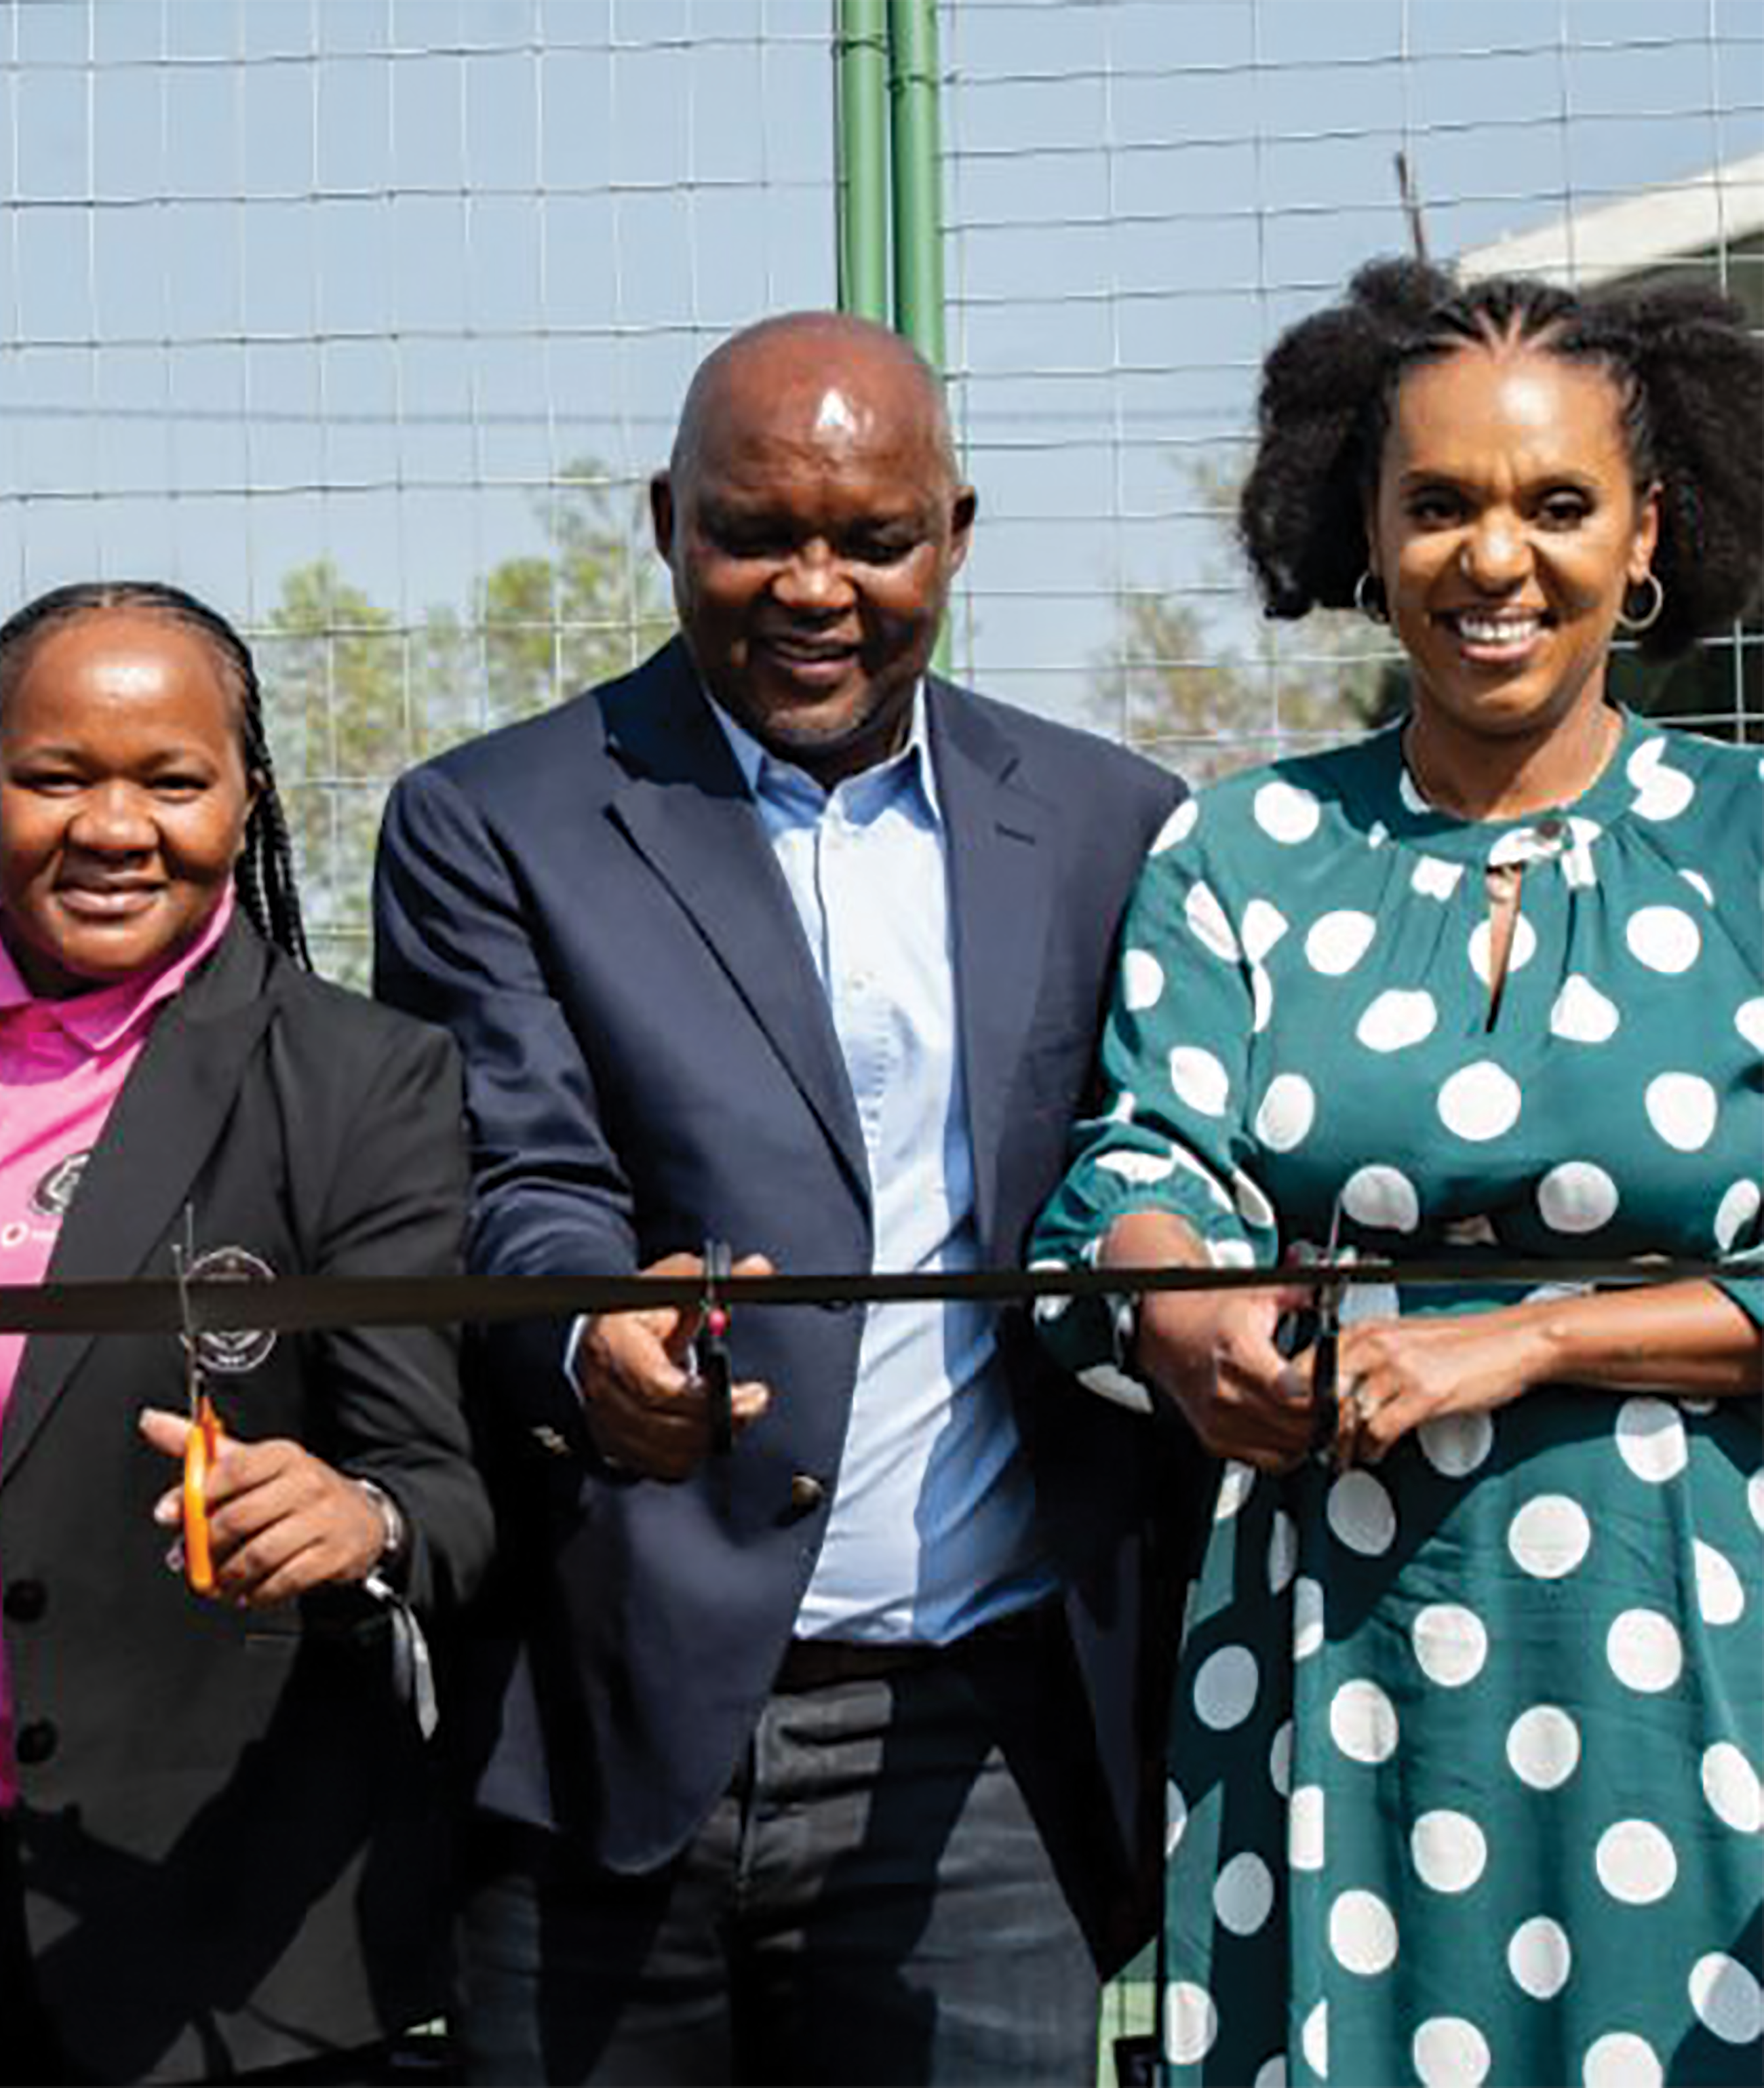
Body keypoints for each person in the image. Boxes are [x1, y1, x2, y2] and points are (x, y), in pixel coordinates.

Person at [370, 311, 1190, 2085]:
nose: (810, 585)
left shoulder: (1115, 822)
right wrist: (594, 1334)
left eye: (871, 539)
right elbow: (515, 1176)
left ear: (953, 532)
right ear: (663, 518)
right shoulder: (492, 821)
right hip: (609, 1719)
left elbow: (1153, 1172)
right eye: (752, 530)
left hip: (976, 1742)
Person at [1031, 258, 1764, 2087]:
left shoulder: (1749, 850)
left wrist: (1512, 1342)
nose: (1489, 557)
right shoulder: (1243, 850)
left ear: (1645, 527)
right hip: (1325, 1644)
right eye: (1434, 503)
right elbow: (1140, 1156)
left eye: (1552, 503)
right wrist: (1174, 1289)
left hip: (1685, 1638)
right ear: (1359, 527)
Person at [0, 580, 491, 2084]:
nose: (113, 826)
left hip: (206, 1923)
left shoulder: (355, 1083)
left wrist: (356, 1518)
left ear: (245, 796)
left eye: (171, 780)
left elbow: (443, 1501)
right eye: (55, 775)